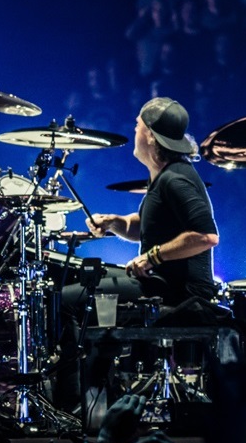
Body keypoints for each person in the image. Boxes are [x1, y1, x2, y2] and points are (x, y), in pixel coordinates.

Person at [53, 96, 219, 415]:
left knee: (69, 301)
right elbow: (145, 226)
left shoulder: (177, 179)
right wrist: (114, 222)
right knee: (88, 284)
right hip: (160, 284)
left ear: (151, 136)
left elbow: (205, 236)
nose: (134, 129)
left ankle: (73, 403)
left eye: (138, 125)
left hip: (179, 293)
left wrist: (152, 257)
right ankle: (99, 394)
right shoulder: (164, 175)